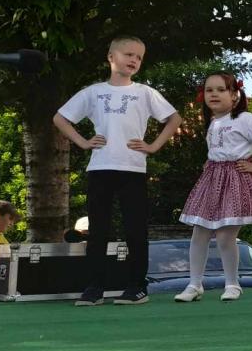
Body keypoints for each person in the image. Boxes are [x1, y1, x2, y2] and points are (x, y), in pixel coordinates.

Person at [54, 36, 182, 306]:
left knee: (135, 230)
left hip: (133, 169)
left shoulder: (145, 92)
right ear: (111, 57)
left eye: (139, 57)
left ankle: (136, 287)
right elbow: (60, 118)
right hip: (100, 168)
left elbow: (174, 119)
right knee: (98, 230)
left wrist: (153, 146)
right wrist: (83, 142)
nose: (134, 60)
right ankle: (94, 288)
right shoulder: (93, 92)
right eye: (128, 54)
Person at [175, 72, 252, 303]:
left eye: (221, 90)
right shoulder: (213, 122)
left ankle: (232, 284)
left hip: (235, 178)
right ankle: (194, 284)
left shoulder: (245, 119)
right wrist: (210, 162)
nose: (214, 94)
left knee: (225, 235)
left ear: (234, 95)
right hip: (212, 179)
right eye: (209, 90)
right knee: (199, 231)